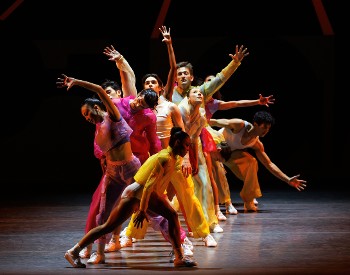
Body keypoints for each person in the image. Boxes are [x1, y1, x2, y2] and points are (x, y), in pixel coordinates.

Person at [64, 127, 198, 268]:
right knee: (107, 227)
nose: (188, 148)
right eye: (187, 145)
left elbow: (158, 185)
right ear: (177, 143)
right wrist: (142, 210)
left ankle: (179, 257)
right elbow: (147, 186)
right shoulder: (164, 158)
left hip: (144, 195)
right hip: (136, 196)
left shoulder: (172, 158)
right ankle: (73, 251)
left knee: (171, 215)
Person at [56, 74, 141, 265]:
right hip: (112, 172)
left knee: (152, 207)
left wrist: (77, 82)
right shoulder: (98, 127)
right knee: (103, 213)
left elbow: (100, 90)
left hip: (130, 169)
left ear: (96, 107)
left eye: (87, 113)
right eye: (84, 117)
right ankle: (99, 253)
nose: (86, 118)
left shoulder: (112, 115)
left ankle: (180, 247)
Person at [202, 74, 275, 217]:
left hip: (214, 137)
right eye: (208, 82)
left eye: (213, 82)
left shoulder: (215, 103)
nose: (211, 85)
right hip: (200, 133)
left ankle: (231, 201)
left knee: (250, 162)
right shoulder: (193, 98)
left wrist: (257, 102)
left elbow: (236, 103)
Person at [209, 111, 307, 211]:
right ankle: (224, 203)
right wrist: (196, 122)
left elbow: (268, 163)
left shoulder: (256, 143)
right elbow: (215, 121)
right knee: (216, 173)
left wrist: (288, 179)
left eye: (268, 128)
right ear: (255, 124)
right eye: (264, 127)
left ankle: (249, 200)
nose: (266, 131)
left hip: (228, 154)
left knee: (252, 162)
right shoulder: (239, 125)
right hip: (213, 148)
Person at [177, 87, 223, 234]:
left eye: (200, 93)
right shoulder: (182, 109)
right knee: (182, 188)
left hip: (193, 146)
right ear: (188, 97)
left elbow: (195, 138)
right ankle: (191, 225)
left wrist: (195, 158)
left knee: (204, 182)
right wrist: (186, 159)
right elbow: (180, 136)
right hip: (178, 149)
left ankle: (211, 221)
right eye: (195, 92)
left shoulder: (202, 115)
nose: (199, 94)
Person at [170, 44, 249, 105]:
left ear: (191, 78)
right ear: (176, 79)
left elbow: (220, 79)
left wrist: (234, 63)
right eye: (180, 74)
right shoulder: (170, 94)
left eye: (185, 73)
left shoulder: (200, 91)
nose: (183, 76)